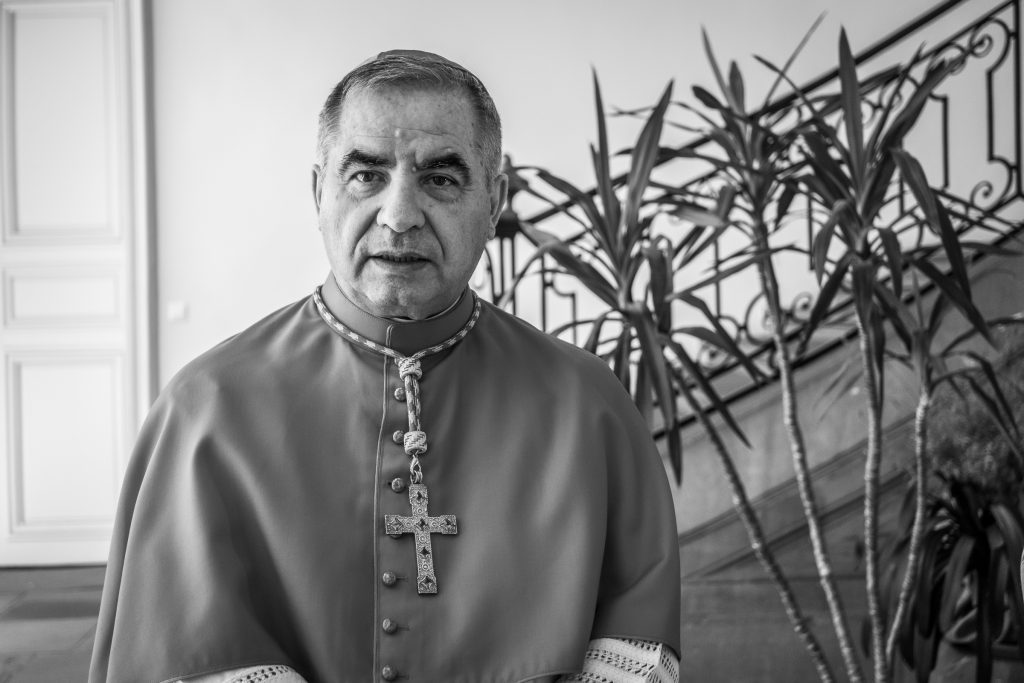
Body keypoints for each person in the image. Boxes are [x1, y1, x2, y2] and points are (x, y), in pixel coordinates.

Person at [89, 50, 680, 683]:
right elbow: (185, 654)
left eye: (442, 179)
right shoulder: (206, 409)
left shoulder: (588, 406)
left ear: (495, 200)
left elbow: (634, 640)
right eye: (367, 176)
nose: (399, 216)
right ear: (319, 192)